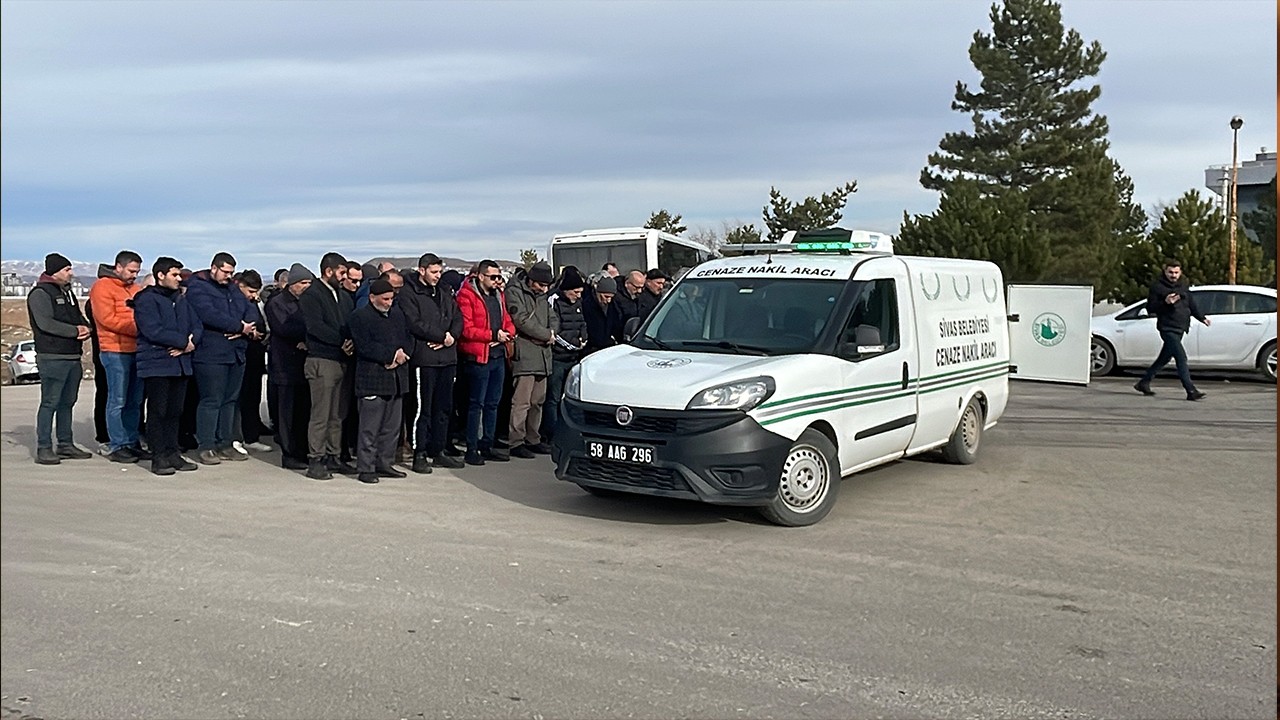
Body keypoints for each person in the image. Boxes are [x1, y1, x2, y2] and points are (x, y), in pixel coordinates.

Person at [186, 252, 261, 465]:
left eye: (231, 272)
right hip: (211, 353)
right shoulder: (198, 288)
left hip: (235, 352)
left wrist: (244, 328)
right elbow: (208, 314)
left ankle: (225, 442)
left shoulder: (233, 289)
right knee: (212, 400)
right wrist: (238, 326)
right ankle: (206, 445)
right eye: (225, 271)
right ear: (214, 268)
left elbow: (251, 311)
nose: (228, 276)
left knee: (230, 400)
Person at [132, 257, 201, 476]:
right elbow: (152, 330)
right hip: (157, 363)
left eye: (179, 275)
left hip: (181, 364)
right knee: (158, 411)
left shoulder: (181, 299)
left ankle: (173, 453)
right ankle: (158, 456)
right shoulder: (146, 300)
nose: (179, 278)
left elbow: (196, 325)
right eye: (174, 274)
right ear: (160, 275)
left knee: (175, 411)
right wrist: (182, 342)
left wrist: (190, 345)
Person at [400, 253, 466, 474]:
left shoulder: (445, 292)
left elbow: (458, 317)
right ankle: (420, 452)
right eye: (434, 272)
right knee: (423, 409)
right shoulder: (409, 294)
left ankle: (439, 450)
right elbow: (414, 323)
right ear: (422, 270)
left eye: (440, 272)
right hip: (424, 359)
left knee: (444, 407)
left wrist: (451, 337)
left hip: (447, 358)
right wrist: (440, 336)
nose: (438, 276)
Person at [27, 253, 93, 465]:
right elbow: (45, 323)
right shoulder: (40, 293)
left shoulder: (68, 293)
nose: (71, 273)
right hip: (53, 356)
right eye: (67, 269)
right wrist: (74, 331)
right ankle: (44, 446)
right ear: (54, 271)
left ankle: (65, 443)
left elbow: (78, 317)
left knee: (67, 402)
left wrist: (86, 328)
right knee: (50, 402)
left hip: (73, 355)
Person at [348, 278, 412, 484]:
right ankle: (366, 467)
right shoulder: (360, 317)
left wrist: (402, 355)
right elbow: (364, 346)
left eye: (391, 298)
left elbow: (408, 338)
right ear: (372, 297)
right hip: (372, 377)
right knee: (369, 427)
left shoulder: (398, 315)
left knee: (391, 427)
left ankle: (384, 463)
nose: (388, 302)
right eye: (384, 299)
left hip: (396, 378)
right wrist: (390, 356)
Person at [299, 252, 356, 480]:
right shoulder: (311, 295)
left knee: (337, 414)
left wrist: (351, 341)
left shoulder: (343, 297)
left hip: (342, 360)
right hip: (322, 360)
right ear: (328, 271)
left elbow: (349, 323)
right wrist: (341, 342)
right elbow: (315, 327)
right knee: (321, 414)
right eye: (341, 272)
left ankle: (334, 456)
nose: (344, 277)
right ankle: (315, 459)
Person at [89, 250, 149, 463]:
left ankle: (132, 441)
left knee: (135, 400)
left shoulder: (135, 289)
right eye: (132, 271)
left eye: (138, 271)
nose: (134, 275)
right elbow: (107, 319)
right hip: (114, 350)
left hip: (137, 350)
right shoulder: (102, 288)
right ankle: (117, 443)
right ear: (119, 267)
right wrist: (140, 328)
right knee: (118, 399)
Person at [456, 259, 516, 466]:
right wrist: (491, 335)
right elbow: (466, 329)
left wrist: (509, 332)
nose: (497, 281)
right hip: (479, 356)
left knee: (493, 403)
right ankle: (472, 447)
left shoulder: (499, 295)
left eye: (499, 277)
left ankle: (487, 444)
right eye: (493, 277)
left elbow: (506, 318)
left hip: (498, 355)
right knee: (476, 404)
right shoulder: (466, 295)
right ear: (481, 276)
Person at [1134, 260, 1211, 401]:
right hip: (1167, 327)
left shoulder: (1183, 286)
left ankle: (1143, 382)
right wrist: (1166, 302)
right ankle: (1190, 390)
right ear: (1165, 271)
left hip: (1181, 327)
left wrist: (1202, 318)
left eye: (1176, 272)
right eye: (1170, 272)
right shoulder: (1158, 287)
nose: (1173, 275)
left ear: (1180, 272)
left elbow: (1191, 304)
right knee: (1181, 357)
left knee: (1164, 358)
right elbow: (1151, 307)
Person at [505, 261, 557, 459]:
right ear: (531, 281)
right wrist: (546, 334)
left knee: (538, 401)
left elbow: (553, 317)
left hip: (543, 355)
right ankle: (516, 440)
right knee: (521, 402)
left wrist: (550, 332)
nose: (544, 289)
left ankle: (533, 438)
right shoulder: (515, 291)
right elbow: (521, 320)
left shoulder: (543, 296)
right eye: (541, 285)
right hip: (525, 354)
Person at [265, 263, 313, 470]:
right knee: (286, 412)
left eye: (309, 283)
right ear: (292, 284)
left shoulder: (308, 302)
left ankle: (302, 450)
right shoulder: (277, 302)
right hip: (284, 364)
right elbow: (283, 328)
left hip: (303, 364)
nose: (306, 287)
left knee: (303, 411)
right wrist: (307, 333)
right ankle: (289, 454)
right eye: (303, 283)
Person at [544, 267, 587, 441]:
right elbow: (554, 330)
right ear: (566, 289)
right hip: (558, 357)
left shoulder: (578, 302)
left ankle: (566, 431)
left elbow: (582, 322)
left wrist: (584, 338)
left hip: (573, 357)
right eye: (576, 292)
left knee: (568, 398)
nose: (578, 296)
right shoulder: (553, 300)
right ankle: (551, 433)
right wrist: (571, 345)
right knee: (553, 398)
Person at [233, 270, 272, 453]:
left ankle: (251, 435)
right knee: (236, 398)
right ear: (240, 286)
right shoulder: (232, 301)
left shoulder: (256, 303)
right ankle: (235, 436)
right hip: (239, 353)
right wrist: (246, 331)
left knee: (252, 395)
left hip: (256, 353)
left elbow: (262, 323)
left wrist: (259, 333)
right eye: (250, 291)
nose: (254, 295)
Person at [607, 269, 646, 343]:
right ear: (627, 283)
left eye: (642, 288)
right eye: (636, 287)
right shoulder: (616, 296)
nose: (639, 291)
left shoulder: (641, 295)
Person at [582, 276, 617, 355]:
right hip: (590, 351)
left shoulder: (613, 305)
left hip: (607, 349)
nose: (608, 300)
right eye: (606, 296)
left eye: (611, 297)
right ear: (598, 292)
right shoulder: (586, 305)